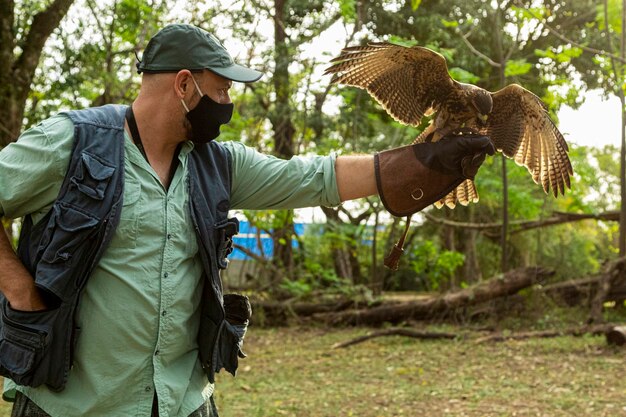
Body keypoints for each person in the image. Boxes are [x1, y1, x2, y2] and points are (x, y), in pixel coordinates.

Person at [0, 24, 494, 417]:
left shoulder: (217, 163)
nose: (228, 104)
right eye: (221, 90)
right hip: (72, 405)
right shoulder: (73, 143)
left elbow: (315, 177)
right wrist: (20, 292)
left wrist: (425, 158)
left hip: (184, 402)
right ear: (184, 84)